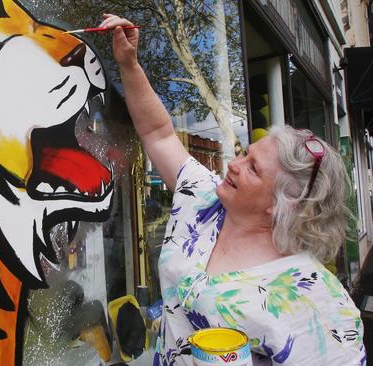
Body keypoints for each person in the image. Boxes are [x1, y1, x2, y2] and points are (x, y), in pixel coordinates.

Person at [99, 13, 366, 366]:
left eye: (253, 169)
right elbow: (159, 133)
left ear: (282, 204)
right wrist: (129, 63)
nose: (233, 165)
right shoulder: (203, 197)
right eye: (245, 154)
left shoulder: (314, 297)